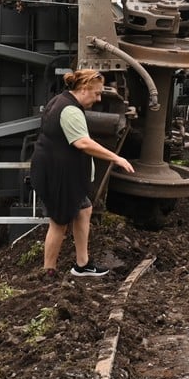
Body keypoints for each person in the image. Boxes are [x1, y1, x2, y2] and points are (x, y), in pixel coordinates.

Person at [30, 69, 134, 277]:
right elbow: (83, 143)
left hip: (61, 171)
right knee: (59, 222)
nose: (99, 99)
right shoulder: (70, 110)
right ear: (84, 89)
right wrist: (116, 158)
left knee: (84, 209)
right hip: (58, 175)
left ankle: (82, 264)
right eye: (97, 93)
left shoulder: (60, 100)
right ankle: (48, 272)